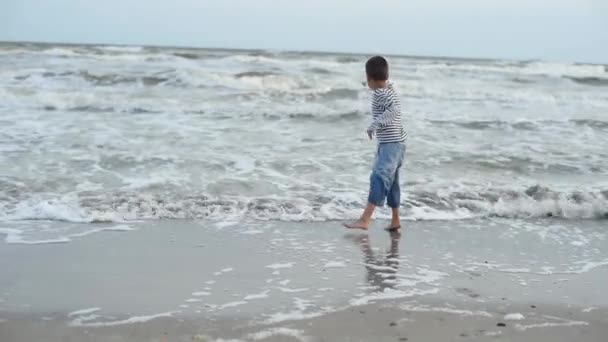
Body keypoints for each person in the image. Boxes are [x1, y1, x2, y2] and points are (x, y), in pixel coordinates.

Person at [345, 56, 407, 231]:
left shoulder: (380, 93)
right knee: (393, 181)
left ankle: (365, 219)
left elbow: (393, 111)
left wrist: (374, 124)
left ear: (369, 77)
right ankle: (395, 219)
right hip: (396, 143)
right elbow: (394, 106)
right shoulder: (389, 89)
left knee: (379, 177)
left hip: (391, 145)